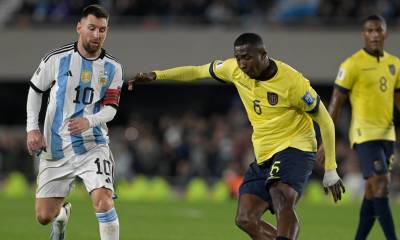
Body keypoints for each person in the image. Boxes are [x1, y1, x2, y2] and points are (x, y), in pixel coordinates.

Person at [128, 32, 345, 240]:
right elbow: (197, 71)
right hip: (264, 153)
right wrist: (157, 75)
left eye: (247, 58)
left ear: (263, 54)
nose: (242, 64)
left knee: (280, 194)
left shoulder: (292, 82)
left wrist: (331, 168)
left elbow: (325, 119)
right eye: (238, 58)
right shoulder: (235, 70)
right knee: (245, 218)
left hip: (296, 147)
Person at [26, 5, 122, 240]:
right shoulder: (56, 59)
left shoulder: (113, 67)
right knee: (43, 216)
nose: (96, 35)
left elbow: (111, 109)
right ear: (79, 27)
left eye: (102, 29)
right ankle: (61, 219)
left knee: (103, 202)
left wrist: (89, 121)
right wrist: (32, 129)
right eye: (91, 28)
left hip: (93, 144)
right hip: (56, 146)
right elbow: (35, 90)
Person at [326, 14, 398, 240]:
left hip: (388, 134)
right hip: (364, 134)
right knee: (382, 186)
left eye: (379, 30)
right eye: (370, 31)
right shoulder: (352, 64)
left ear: (385, 33)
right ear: (363, 34)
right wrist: (326, 140)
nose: (375, 35)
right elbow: (335, 103)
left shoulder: (394, 64)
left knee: (372, 192)